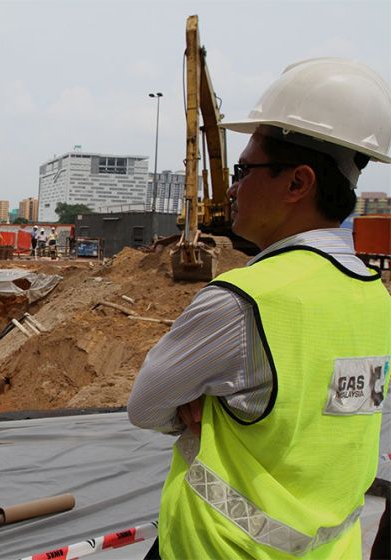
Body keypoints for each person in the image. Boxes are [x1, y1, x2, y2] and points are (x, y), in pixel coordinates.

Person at [127, 58, 391, 559]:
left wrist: (199, 407)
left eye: (244, 170)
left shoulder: (245, 300)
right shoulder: (375, 298)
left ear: (298, 184)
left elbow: (145, 407)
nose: (231, 186)